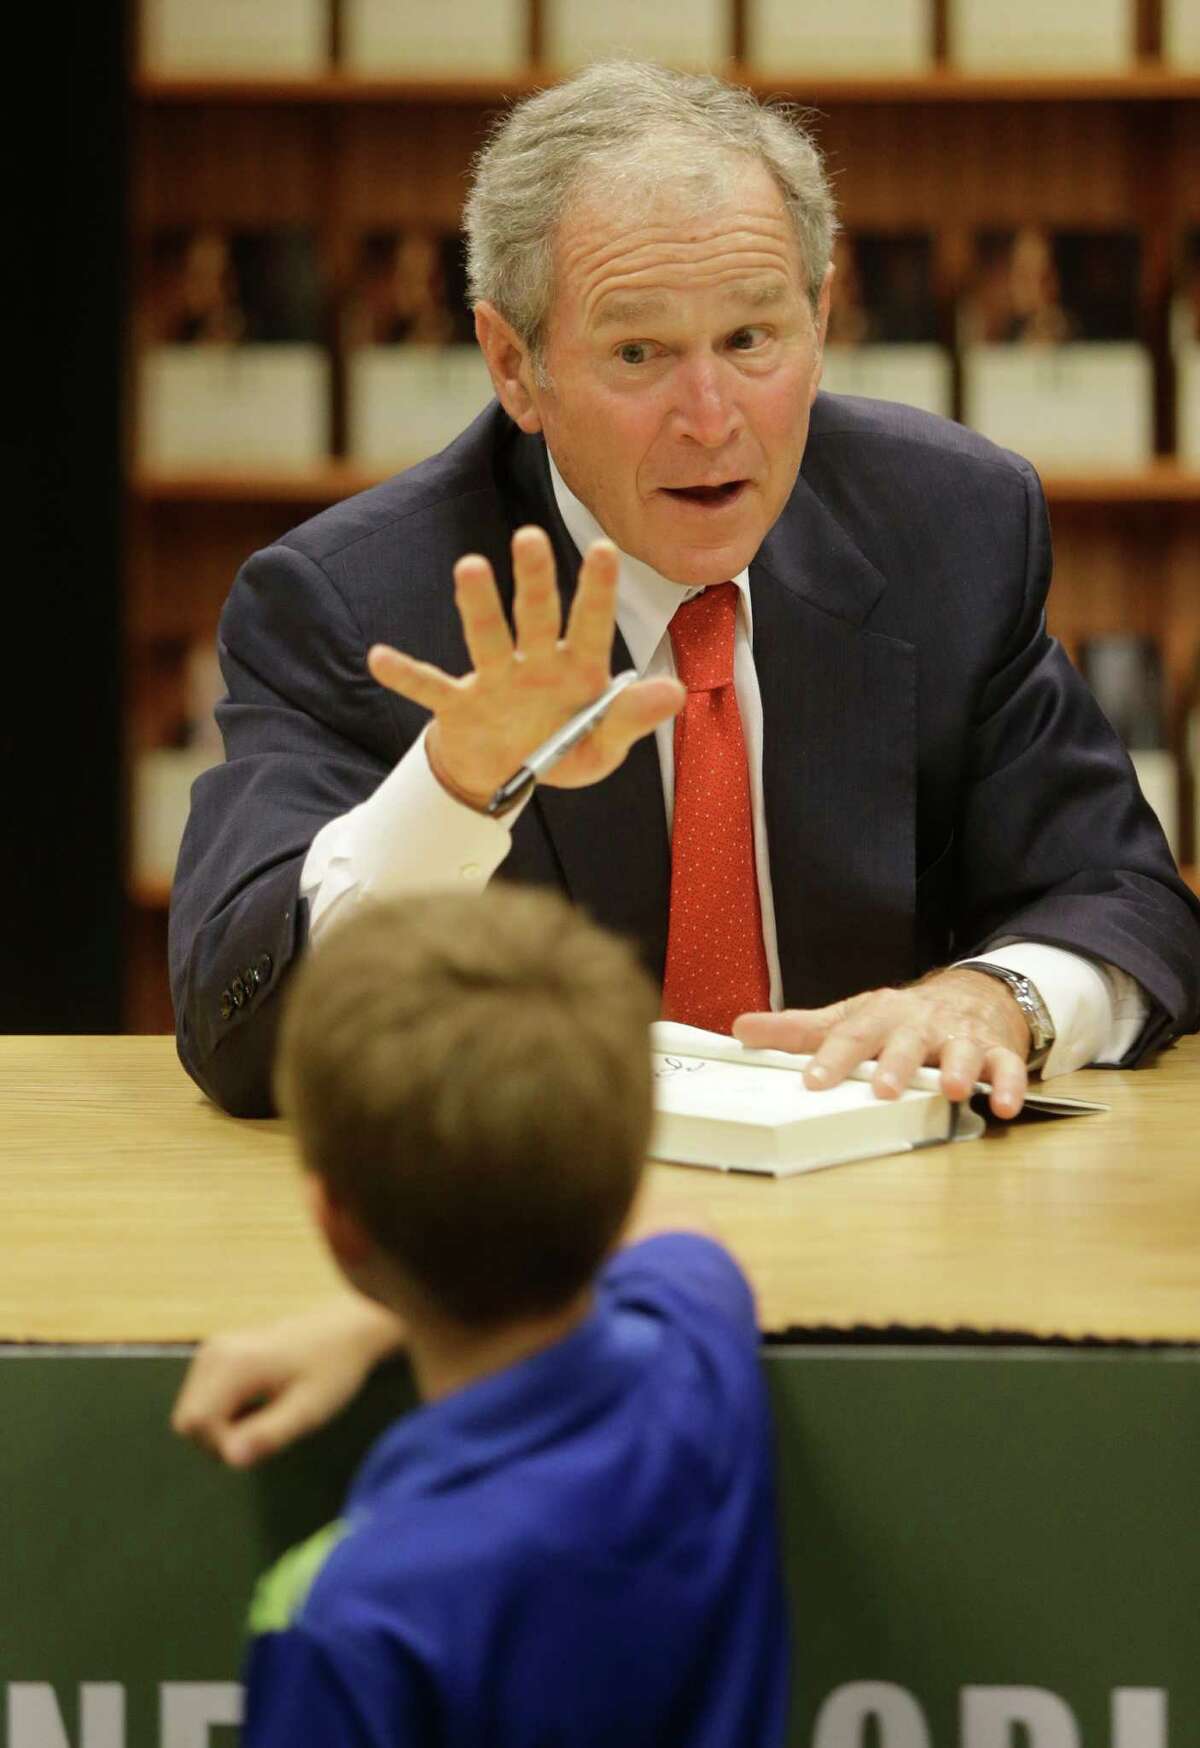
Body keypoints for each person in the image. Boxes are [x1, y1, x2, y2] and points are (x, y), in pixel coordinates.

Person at [169, 61, 1200, 1121]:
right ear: (514, 365)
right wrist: (452, 789)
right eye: (638, 351)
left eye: (751, 339)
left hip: (882, 1203)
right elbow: (234, 1034)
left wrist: (998, 998)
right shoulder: (354, 603)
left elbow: (1126, 900)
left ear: (822, 316)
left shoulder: (953, 526)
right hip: (538, 1214)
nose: (711, 418)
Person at [173, 886, 789, 1747]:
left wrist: (362, 1313)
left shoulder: (345, 1615)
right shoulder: (694, 1361)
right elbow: (668, 1214)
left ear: (336, 1223)